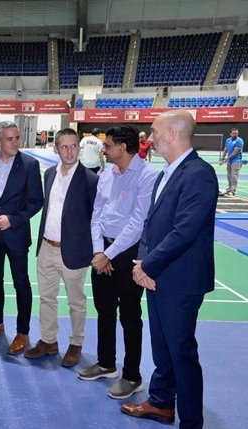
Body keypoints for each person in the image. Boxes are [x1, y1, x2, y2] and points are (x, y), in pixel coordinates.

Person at [124, 110, 218, 429]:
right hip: (158, 275)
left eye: (154, 130)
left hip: (180, 280)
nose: (150, 135)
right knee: (162, 347)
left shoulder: (199, 175)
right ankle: (162, 403)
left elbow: (186, 231)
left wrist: (147, 264)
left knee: (182, 354)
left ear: (172, 135)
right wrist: (144, 265)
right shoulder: (168, 172)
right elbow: (152, 224)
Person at [77, 124, 158, 400]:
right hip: (104, 250)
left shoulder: (147, 175)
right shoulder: (106, 174)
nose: (104, 149)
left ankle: (132, 376)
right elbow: (96, 214)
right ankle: (106, 363)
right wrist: (100, 251)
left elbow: (138, 222)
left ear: (123, 147)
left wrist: (108, 255)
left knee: (130, 316)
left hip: (129, 252)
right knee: (105, 310)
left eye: (108, 145)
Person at [24, 128, 98, 367]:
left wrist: (94, 251)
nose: (69, 151)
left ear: (79, 147)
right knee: (47, 298)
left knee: (76, 302)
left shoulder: (90, 180)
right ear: (56, 149)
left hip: (74, 250)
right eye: (64, 146)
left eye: (74, 146)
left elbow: (96, 219)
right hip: (46, 247)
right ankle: (48, 340)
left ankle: (76, 344)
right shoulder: (48, 175)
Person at [0, 120, 44, 355]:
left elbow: (36, 201)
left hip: (16, 234)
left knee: (21, 283)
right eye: (10, 139)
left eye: (17, 138)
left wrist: (12, 219)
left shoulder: (30, 165)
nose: (15, 143)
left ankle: (22, 332)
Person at [219, 127, 243, 196]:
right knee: (229, 176)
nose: (235, 134)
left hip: (236, 161)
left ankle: (233, 190)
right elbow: (225, 150)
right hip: (229, 161)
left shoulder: (239, 141)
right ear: (230, 134)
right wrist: (222, 159)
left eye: (236, 133)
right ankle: (229, 188)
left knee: (234, 175)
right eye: (233, 133)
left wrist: (225, 160)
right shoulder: (228, 140)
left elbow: (235, 152)